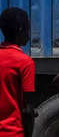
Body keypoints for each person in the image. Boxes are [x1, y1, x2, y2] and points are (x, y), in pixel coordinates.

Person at [0, 7, 36, 137]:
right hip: (12, 132)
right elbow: (27, 110)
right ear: (21, 30)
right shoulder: (24, 62)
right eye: (28, 28)